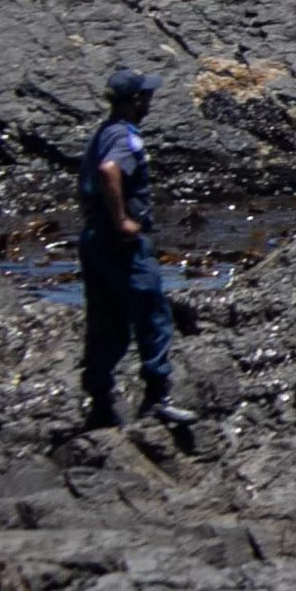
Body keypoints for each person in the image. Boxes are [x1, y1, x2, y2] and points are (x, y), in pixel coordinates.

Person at [77, 66, 177, 426]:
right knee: (153, 316)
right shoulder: (126, 137)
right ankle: (156, 397)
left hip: (94, 239)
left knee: (106, 322)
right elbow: (109, 170)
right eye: (146, 96)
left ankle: (100, 401)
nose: (151, 100)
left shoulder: (102, 132)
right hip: (121, 243)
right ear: (136, 101)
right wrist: (122, 219)